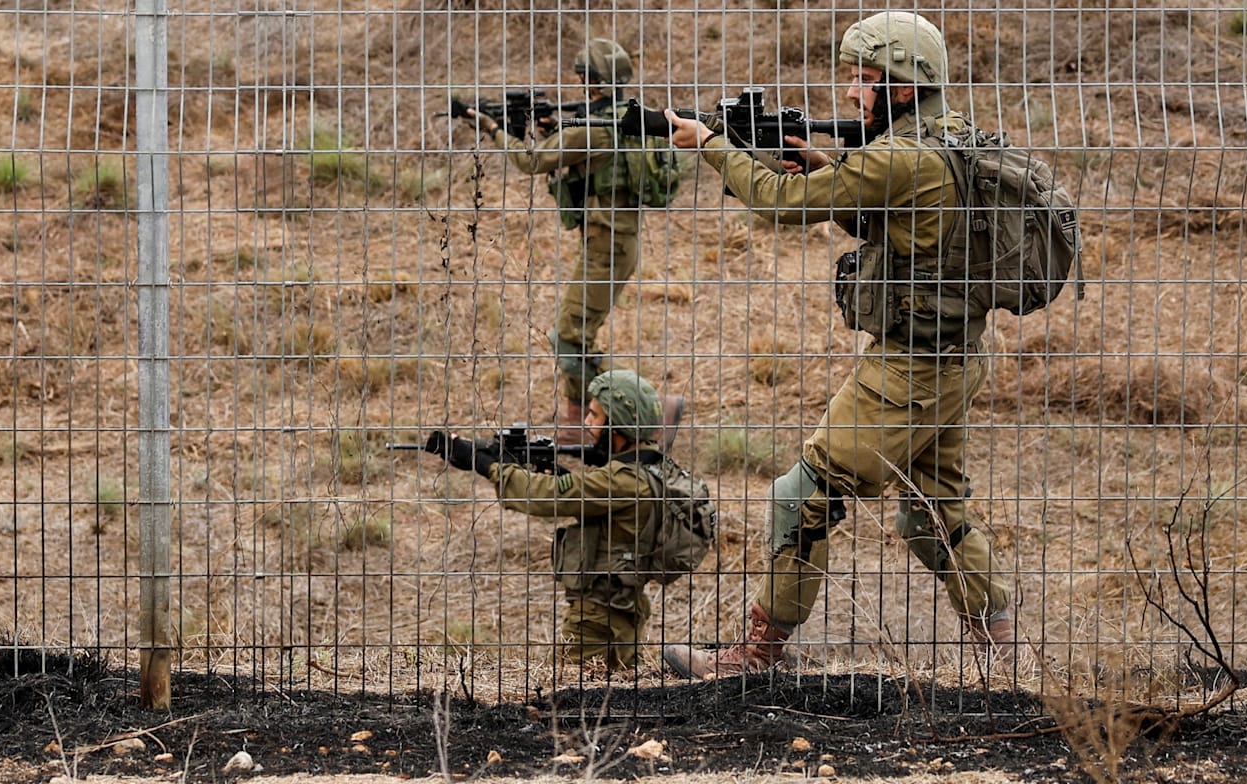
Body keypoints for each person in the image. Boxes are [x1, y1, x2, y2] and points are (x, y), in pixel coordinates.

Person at [658, 11, 1015, 678]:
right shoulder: (951, 137)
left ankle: (758, 656)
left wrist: (707, 142)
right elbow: (904, 216)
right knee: (934, 513)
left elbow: (777, 204)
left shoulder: (896, 155)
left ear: (902, 88)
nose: (853, 93)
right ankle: (1004, 652)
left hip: (909, 368)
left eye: (865, 80)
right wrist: (825, 165)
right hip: (956, 354)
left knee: (802, 494)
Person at [461, 38, 684, 449]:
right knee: (577, 334)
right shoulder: (624, 119)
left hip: (607, 246)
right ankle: (581, 422)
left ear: (591, 80)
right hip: (613, 242)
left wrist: (491, 129)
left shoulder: (595, 131)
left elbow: (530, 160)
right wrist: (554, 130)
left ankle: (650, 413)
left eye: (583, 78)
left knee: (568, 337)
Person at [425, 370, 696, 672]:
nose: (587, 423)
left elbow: (544, 496)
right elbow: (612, 513)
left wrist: (486, 464)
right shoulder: (652, 469)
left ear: (618, 425)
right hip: (622, 609)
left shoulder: (623, 480)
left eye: (595, 416)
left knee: (567, 699)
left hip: (597, 619)